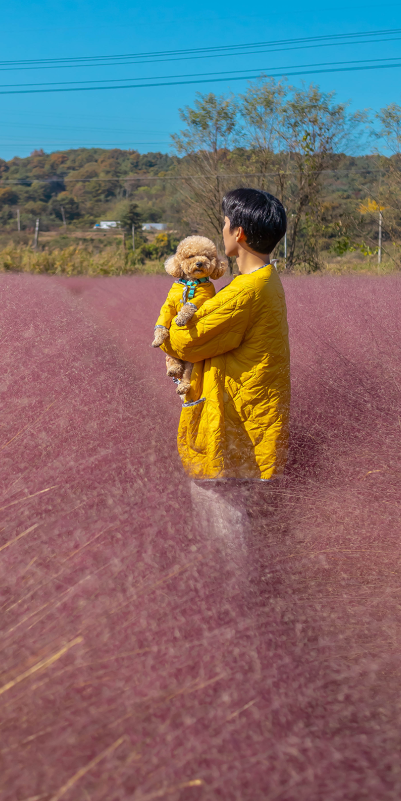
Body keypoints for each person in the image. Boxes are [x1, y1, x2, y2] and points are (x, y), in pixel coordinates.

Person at [159, 188, 290, 551]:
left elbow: (186, 342)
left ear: (240, 234)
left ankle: (232, 603)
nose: (223, 230)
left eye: (225, 224)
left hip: (228, 430)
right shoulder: (264, 281)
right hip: (244, 423)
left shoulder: (245, 292)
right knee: (232, 528)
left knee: (223, 538)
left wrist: (168, 325)